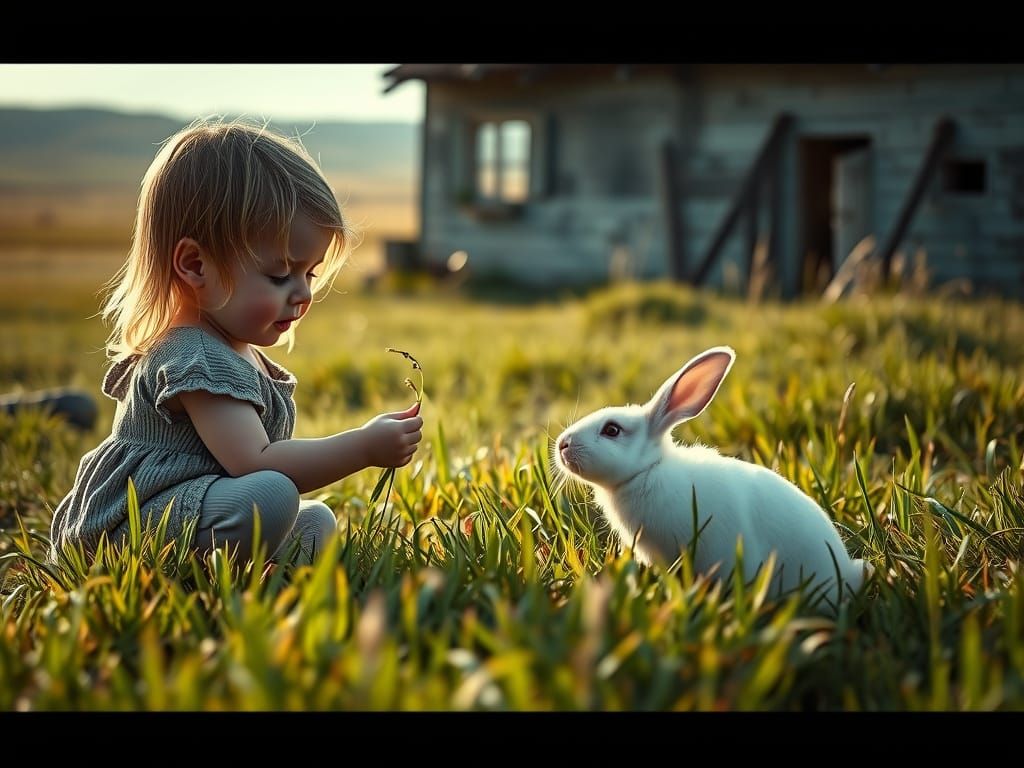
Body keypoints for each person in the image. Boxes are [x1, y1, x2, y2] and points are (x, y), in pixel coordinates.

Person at [49, 117, 423, 567]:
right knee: (272, 493)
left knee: (314, 521)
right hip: (125, 530)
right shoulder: (194, 355)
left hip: (188, 508)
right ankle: (179, 573)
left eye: (310, 274)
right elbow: (255, 462)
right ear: (195, 265)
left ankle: (248, 571)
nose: (303, 293)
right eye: (280, 275)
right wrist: (363, 447)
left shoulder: (235, 349)